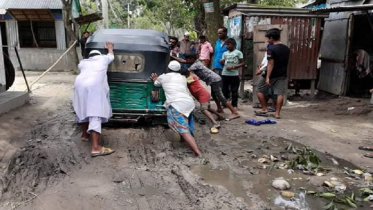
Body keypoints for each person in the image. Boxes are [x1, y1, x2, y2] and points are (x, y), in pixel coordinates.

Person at [150, 61, 202, 157]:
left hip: (177, 104)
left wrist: (155, 79)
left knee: (183, 129)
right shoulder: (182, 78)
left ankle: (198, 153)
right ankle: (183, 140)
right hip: (189, 103)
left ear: (168, 69)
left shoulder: (163, 77)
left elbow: (156, 84)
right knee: (186, 123)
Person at [73, 42, 115, 157]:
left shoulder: (83, 63)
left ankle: (84, 136)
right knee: (95, 113)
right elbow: (111, 55)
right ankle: (96, 148)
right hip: (94, 86)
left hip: (79, 85)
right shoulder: (103, 59)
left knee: (82, 109)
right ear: (99, 55)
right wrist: (110, 48)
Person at [171, 54, 240, 120]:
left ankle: (234, 112)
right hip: (214, 79)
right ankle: (219, 109)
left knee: (220, 97)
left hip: (214, 80)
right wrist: (172, 56)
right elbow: (182, 61)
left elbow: (186, 71)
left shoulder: (196, 64)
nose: (186, 60)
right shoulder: (195, 61)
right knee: (214, 95)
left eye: (187, 59)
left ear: (192, 59)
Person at [257, 29, 290, 119]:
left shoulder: (271, 49)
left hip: (272, 74)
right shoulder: (286, 48)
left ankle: (264, 109)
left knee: (259, 90)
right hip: (282, 74)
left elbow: (271, 63)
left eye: (268, 38)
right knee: (280, 94)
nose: (267, 40)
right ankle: (277, 113)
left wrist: (267, 77)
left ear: (271, 38)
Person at [180, 69, 225, 133]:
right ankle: (220, 116)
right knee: (208, 108)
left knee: (203, 109)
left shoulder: (192, 77)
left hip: (203, 95)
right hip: (201, 95)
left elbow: (184, 82)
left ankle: (215, 123)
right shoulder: (189, 77)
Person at [219, 38, 244, 110]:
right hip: (225, 73)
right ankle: (225, 103)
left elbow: (242, 63)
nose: (227, 46)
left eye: (228, 44)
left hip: (234, 74)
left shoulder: (238, 53)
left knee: (234, 90)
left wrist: (233, 67)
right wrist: (222, 61)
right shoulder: (225, 53)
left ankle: (234, 105)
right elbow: (224, 62)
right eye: (226, 45)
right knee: (224, 90)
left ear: (233, 45)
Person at [255, 45, 277, 113]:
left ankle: (268, 107)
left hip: (271, 73)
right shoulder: (268, 51)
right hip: (271, 73)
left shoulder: (271, 51)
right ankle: (265, 106)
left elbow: (269, 63)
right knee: (268, 91)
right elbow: (265, 62)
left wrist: (261, 70)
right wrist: (261, 66)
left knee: (266, 90)